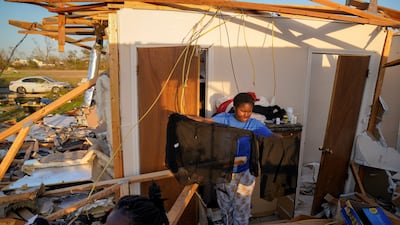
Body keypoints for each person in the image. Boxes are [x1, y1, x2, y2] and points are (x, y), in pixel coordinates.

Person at [188, 92, 280, 225]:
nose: (246, 115)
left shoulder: (254, 124)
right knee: (226, 205)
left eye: (249, 111)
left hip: (246, 172)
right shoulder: (224, 119)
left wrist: (286, 141)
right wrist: (182, 117)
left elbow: (270, 135)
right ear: (235, 108)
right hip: (225, 171)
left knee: (242, 206)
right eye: (243, 111)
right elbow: (204, 121)